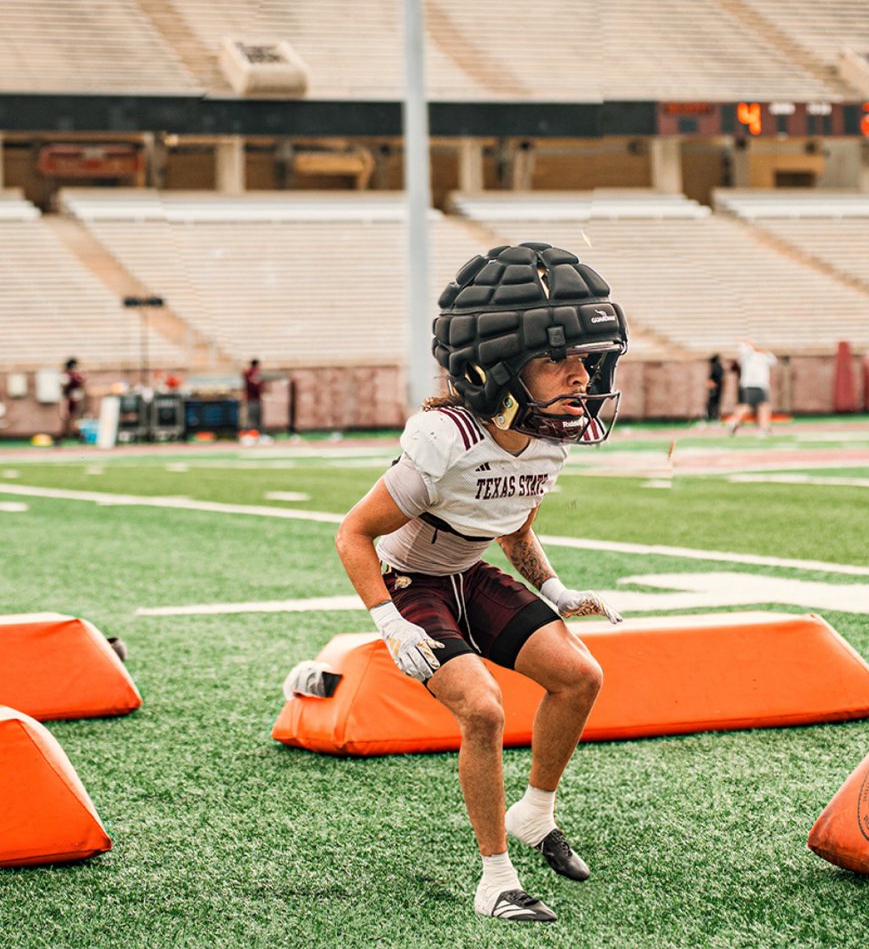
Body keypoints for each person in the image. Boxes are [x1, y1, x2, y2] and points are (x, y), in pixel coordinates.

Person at [285, 243, 628, 924]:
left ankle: (536, 814)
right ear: (498, 368)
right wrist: (392, 622)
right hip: (411, 580)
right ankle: (495, 879)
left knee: (579, 676)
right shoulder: (446, 436)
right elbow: (354, 533)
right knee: (484, 710)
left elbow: (511, 524)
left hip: (469, 571)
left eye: (587, 358)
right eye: (561, 359)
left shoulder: (551, 435)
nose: (582, 374)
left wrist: (555, 592)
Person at [727, 341, 777, 435]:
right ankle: (734, 421)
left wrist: (762, 350)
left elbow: (773, 360)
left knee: (764, 406)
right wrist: (750, 344)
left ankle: (764, 427)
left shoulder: (764, 356)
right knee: (747, 407)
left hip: (761, 385)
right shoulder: (747, 355)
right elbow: (743, 349)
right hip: (750, 384)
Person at [58, 357, 85, 444]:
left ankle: (63, 438)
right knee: (70, 419)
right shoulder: (76, 375)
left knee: (68, 419)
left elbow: (64, 387)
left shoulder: (68, 375)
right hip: (74, 398)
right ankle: (79, 436)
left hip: (70, 399)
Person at [242, 359, 265, 433]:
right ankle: (253, 434)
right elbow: (257, 385)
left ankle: (252, 433)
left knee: (252, 418)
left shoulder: (248, 373)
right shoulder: (254, 372)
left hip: (251, 398)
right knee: (254, 418)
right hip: (254, 398)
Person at [705, 353, 725, 423]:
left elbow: (712, 379)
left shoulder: (715, 366)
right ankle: (715, 416)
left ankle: (711, 416)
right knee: (716, 402)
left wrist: (710, 384)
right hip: (718, 387)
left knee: (712, 402)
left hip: (714, 388)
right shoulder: (721, 366)